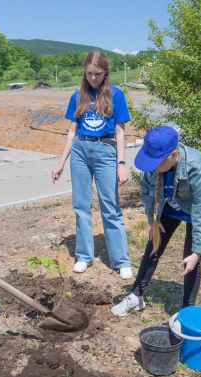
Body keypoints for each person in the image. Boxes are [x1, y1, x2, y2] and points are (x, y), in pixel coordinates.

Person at [111, 126, 201, 316]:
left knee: (190, 258)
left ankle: (187, 311)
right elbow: (147, 191)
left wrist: (197, 251)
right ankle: (136, 296)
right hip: (168, 207)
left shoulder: (197, 167)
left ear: (173, 155)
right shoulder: (156, 165)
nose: (153, 167)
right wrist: (152, 219)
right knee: (153, 247)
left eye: (157, 162)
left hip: (194, 210)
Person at [51, 51, 133, 280]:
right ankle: (84, 256)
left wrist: (121, 164)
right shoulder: (78, 96)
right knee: (81, 205)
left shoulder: (116, 95)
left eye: (97, 74)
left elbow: (120, 132)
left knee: (110, 206)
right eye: (89, 74)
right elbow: (71, 132)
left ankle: (121, 260)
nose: (93, 78)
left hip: (105, 149)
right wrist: (60, 163)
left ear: (105, 73)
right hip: (80, 150)